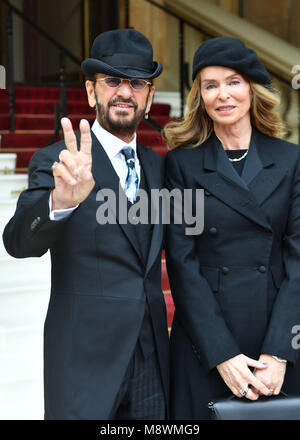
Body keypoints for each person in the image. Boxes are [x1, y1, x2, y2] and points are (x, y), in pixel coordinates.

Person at [3, 29, 169, 420]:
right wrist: (60, 201)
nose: (125, 93)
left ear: (149, 96)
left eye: (137, 83)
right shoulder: (56, 161)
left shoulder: (162, 168)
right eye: (112, 81)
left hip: (152, 363)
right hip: (83, 363)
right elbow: (17, 242)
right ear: (92, 93)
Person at [164, 36, 300, 419]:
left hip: (278, 342)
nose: (222, 94)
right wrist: (221, 353)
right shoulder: (181, 165)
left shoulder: (291, 160)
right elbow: (181, 263)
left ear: (252, 88)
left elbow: (298, 260)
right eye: (210, 85)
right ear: (200, 97)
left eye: (234, 81)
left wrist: (279, 353)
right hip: (206, 346)